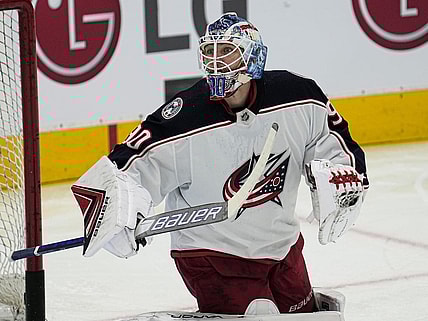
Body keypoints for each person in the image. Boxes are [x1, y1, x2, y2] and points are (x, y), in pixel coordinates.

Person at [73, 12, 369, 316]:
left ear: (253, 56)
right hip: (210, 254)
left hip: (282, 247)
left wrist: (343, 178)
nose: (216, 63)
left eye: (227, 52)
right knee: (259, 315)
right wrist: (115, 210)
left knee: (310, 317)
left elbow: (336, 143)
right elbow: (122, 166)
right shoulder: (183, 118)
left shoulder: (300, 97)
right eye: (210, 53)